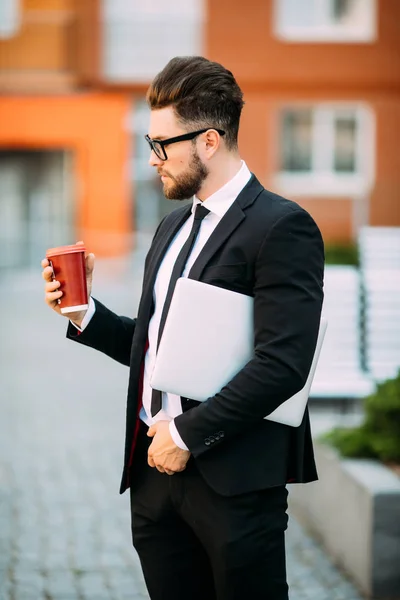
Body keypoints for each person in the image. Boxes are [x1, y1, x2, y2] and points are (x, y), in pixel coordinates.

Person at [42, 56, 324, 600]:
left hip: (235, 483)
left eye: (161, 145)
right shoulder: (171, 226)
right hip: (152, 478)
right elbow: (159, 351)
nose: (152, 160)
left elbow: (284, 364)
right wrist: (85, 314)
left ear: (210, 141)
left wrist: (188, 434)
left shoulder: (282, 226)